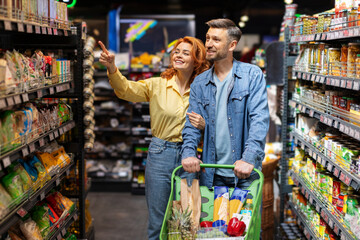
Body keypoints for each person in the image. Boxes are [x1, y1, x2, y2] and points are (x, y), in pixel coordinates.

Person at [98, 37, 209, 240]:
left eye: (186, 52)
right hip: (161, 153)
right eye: (176, 51)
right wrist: (112, 67)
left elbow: (219, 122)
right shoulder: (158, 85)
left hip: (191, 156)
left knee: (186, 221)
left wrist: (205, 126)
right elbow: (125, 90)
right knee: (158, 222)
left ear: (197, 60)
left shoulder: (204, 90)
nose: (178, 55)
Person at [181, 18, 269, 190]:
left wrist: (248, 158)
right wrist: (188, 154)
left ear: (231, 45)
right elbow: (191, 126)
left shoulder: (251, 75)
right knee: (212, 218)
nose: (209, 44)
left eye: (216, 39)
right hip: (212, 175)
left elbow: (259, 120)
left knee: (243, 218)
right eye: (207, 38)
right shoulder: (200, 83)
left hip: (245, 174)